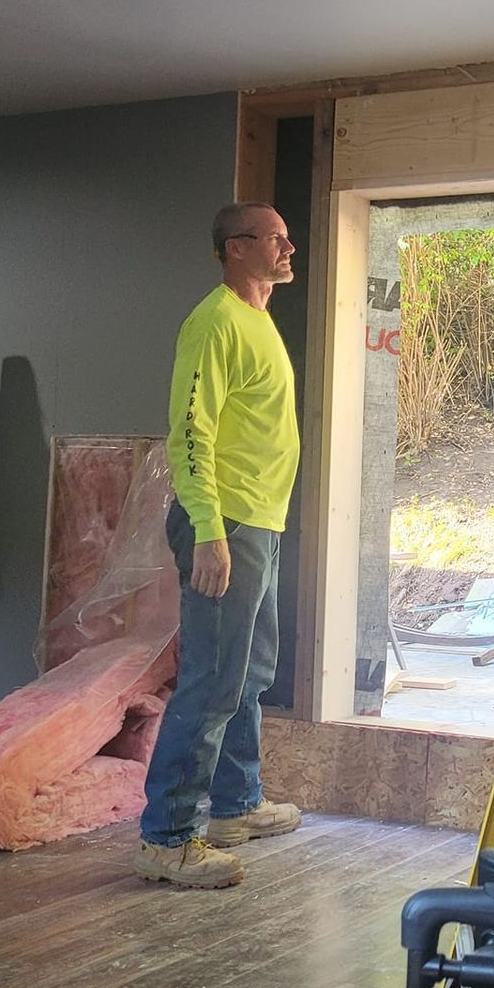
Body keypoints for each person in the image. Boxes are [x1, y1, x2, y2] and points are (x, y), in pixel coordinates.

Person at [134, 202, 305, 888]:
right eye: (276, 239)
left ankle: (236, 806)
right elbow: (189, 432)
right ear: (237, 248)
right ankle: (166, 839)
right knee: (210, 683)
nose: (289, 248)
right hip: (226, 524)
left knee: (250, 673)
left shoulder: (258, 319)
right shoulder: (214, 322)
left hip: (260, 521)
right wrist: (208, 531)